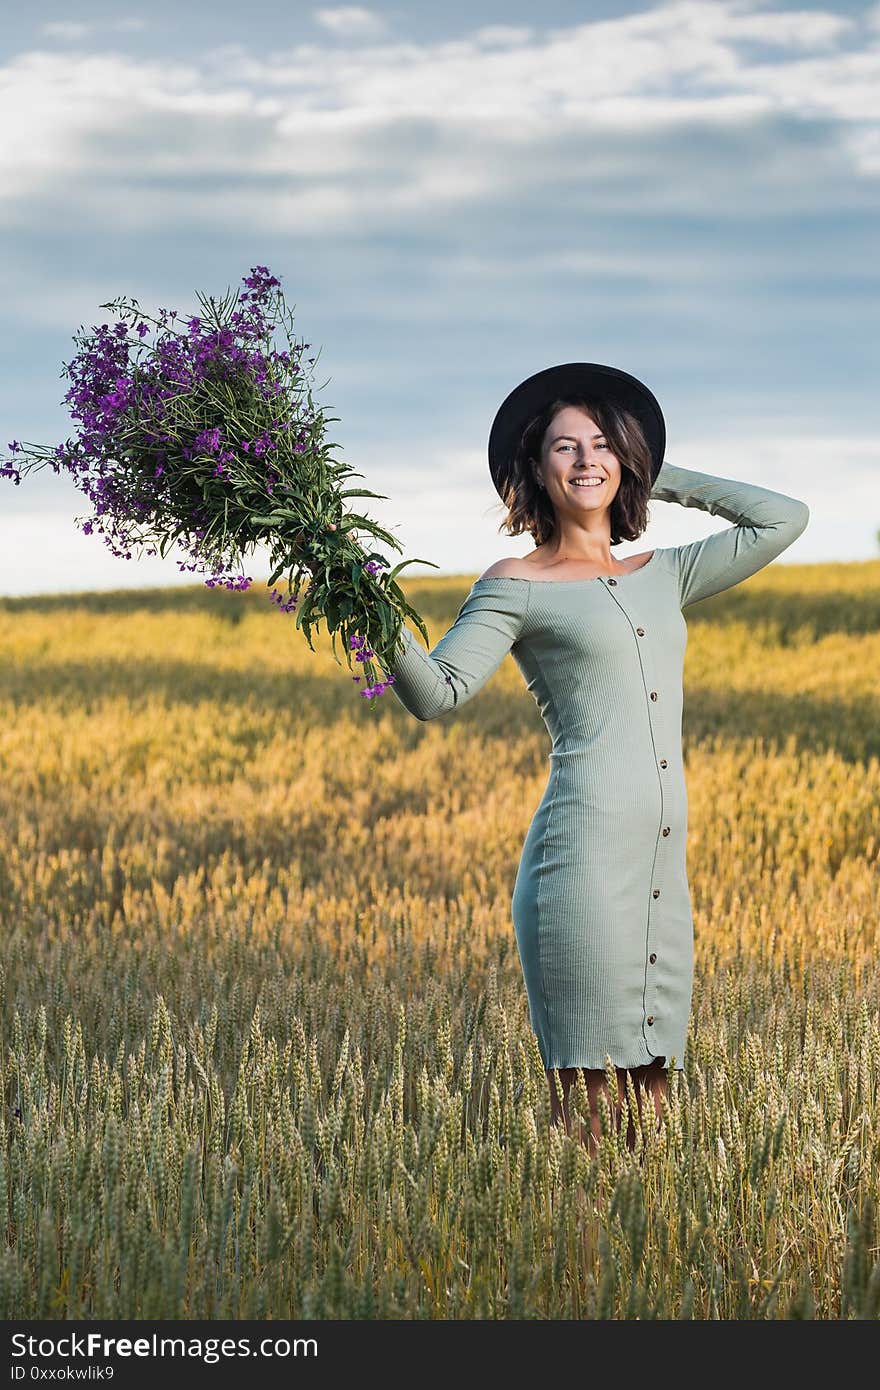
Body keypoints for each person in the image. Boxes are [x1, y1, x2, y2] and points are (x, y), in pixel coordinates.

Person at [379, 363, 810, 1154]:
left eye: (603, 446)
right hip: (579, 861)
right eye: (565, 448)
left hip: (659, 867)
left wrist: (656, 466)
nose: (585, 461)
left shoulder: (665, 574)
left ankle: (638, 1269)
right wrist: (365, 607)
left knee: (653, 1092)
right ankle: (571, 1263)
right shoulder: (517, 584)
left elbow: (782, 518)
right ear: (534, 469)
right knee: (587, 1099)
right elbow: (435, 692)